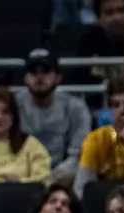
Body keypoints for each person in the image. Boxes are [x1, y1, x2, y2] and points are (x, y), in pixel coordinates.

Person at [15, 49, 93, 186]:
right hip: (23, 173)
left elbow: (77, 155)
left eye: (45, 71)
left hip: (63, 176)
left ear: (58, 77)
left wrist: (49, 179)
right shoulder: (14, 105)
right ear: (25, 78)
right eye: (33, 72)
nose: (39, 78)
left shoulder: (76, 107)